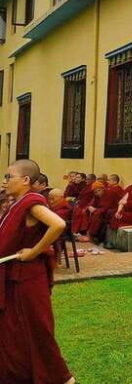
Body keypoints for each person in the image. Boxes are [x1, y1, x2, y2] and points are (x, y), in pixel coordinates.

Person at [0, 160, 75, 384]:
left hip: (27, 278)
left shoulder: (32, 203)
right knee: (14, 331)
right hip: (16, 275)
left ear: (25, 180)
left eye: (8, 177)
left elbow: (58, 224)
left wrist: (34, 252)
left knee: (36, 330)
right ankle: (19, 375)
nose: (4, 181)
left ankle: (63, 378)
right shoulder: (17, 203)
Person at [88, 174, 125, 245]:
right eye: (95, 192)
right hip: (103, 209)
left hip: (113, 209)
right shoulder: (97, 196)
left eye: (99, 190)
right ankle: (92, 235)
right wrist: (90, 207)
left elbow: (106, 206)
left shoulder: (110, 193)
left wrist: (95, 210)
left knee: (97, 214)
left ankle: (93, 235)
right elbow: (93, 203)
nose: (98, 193)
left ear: (103, 189)